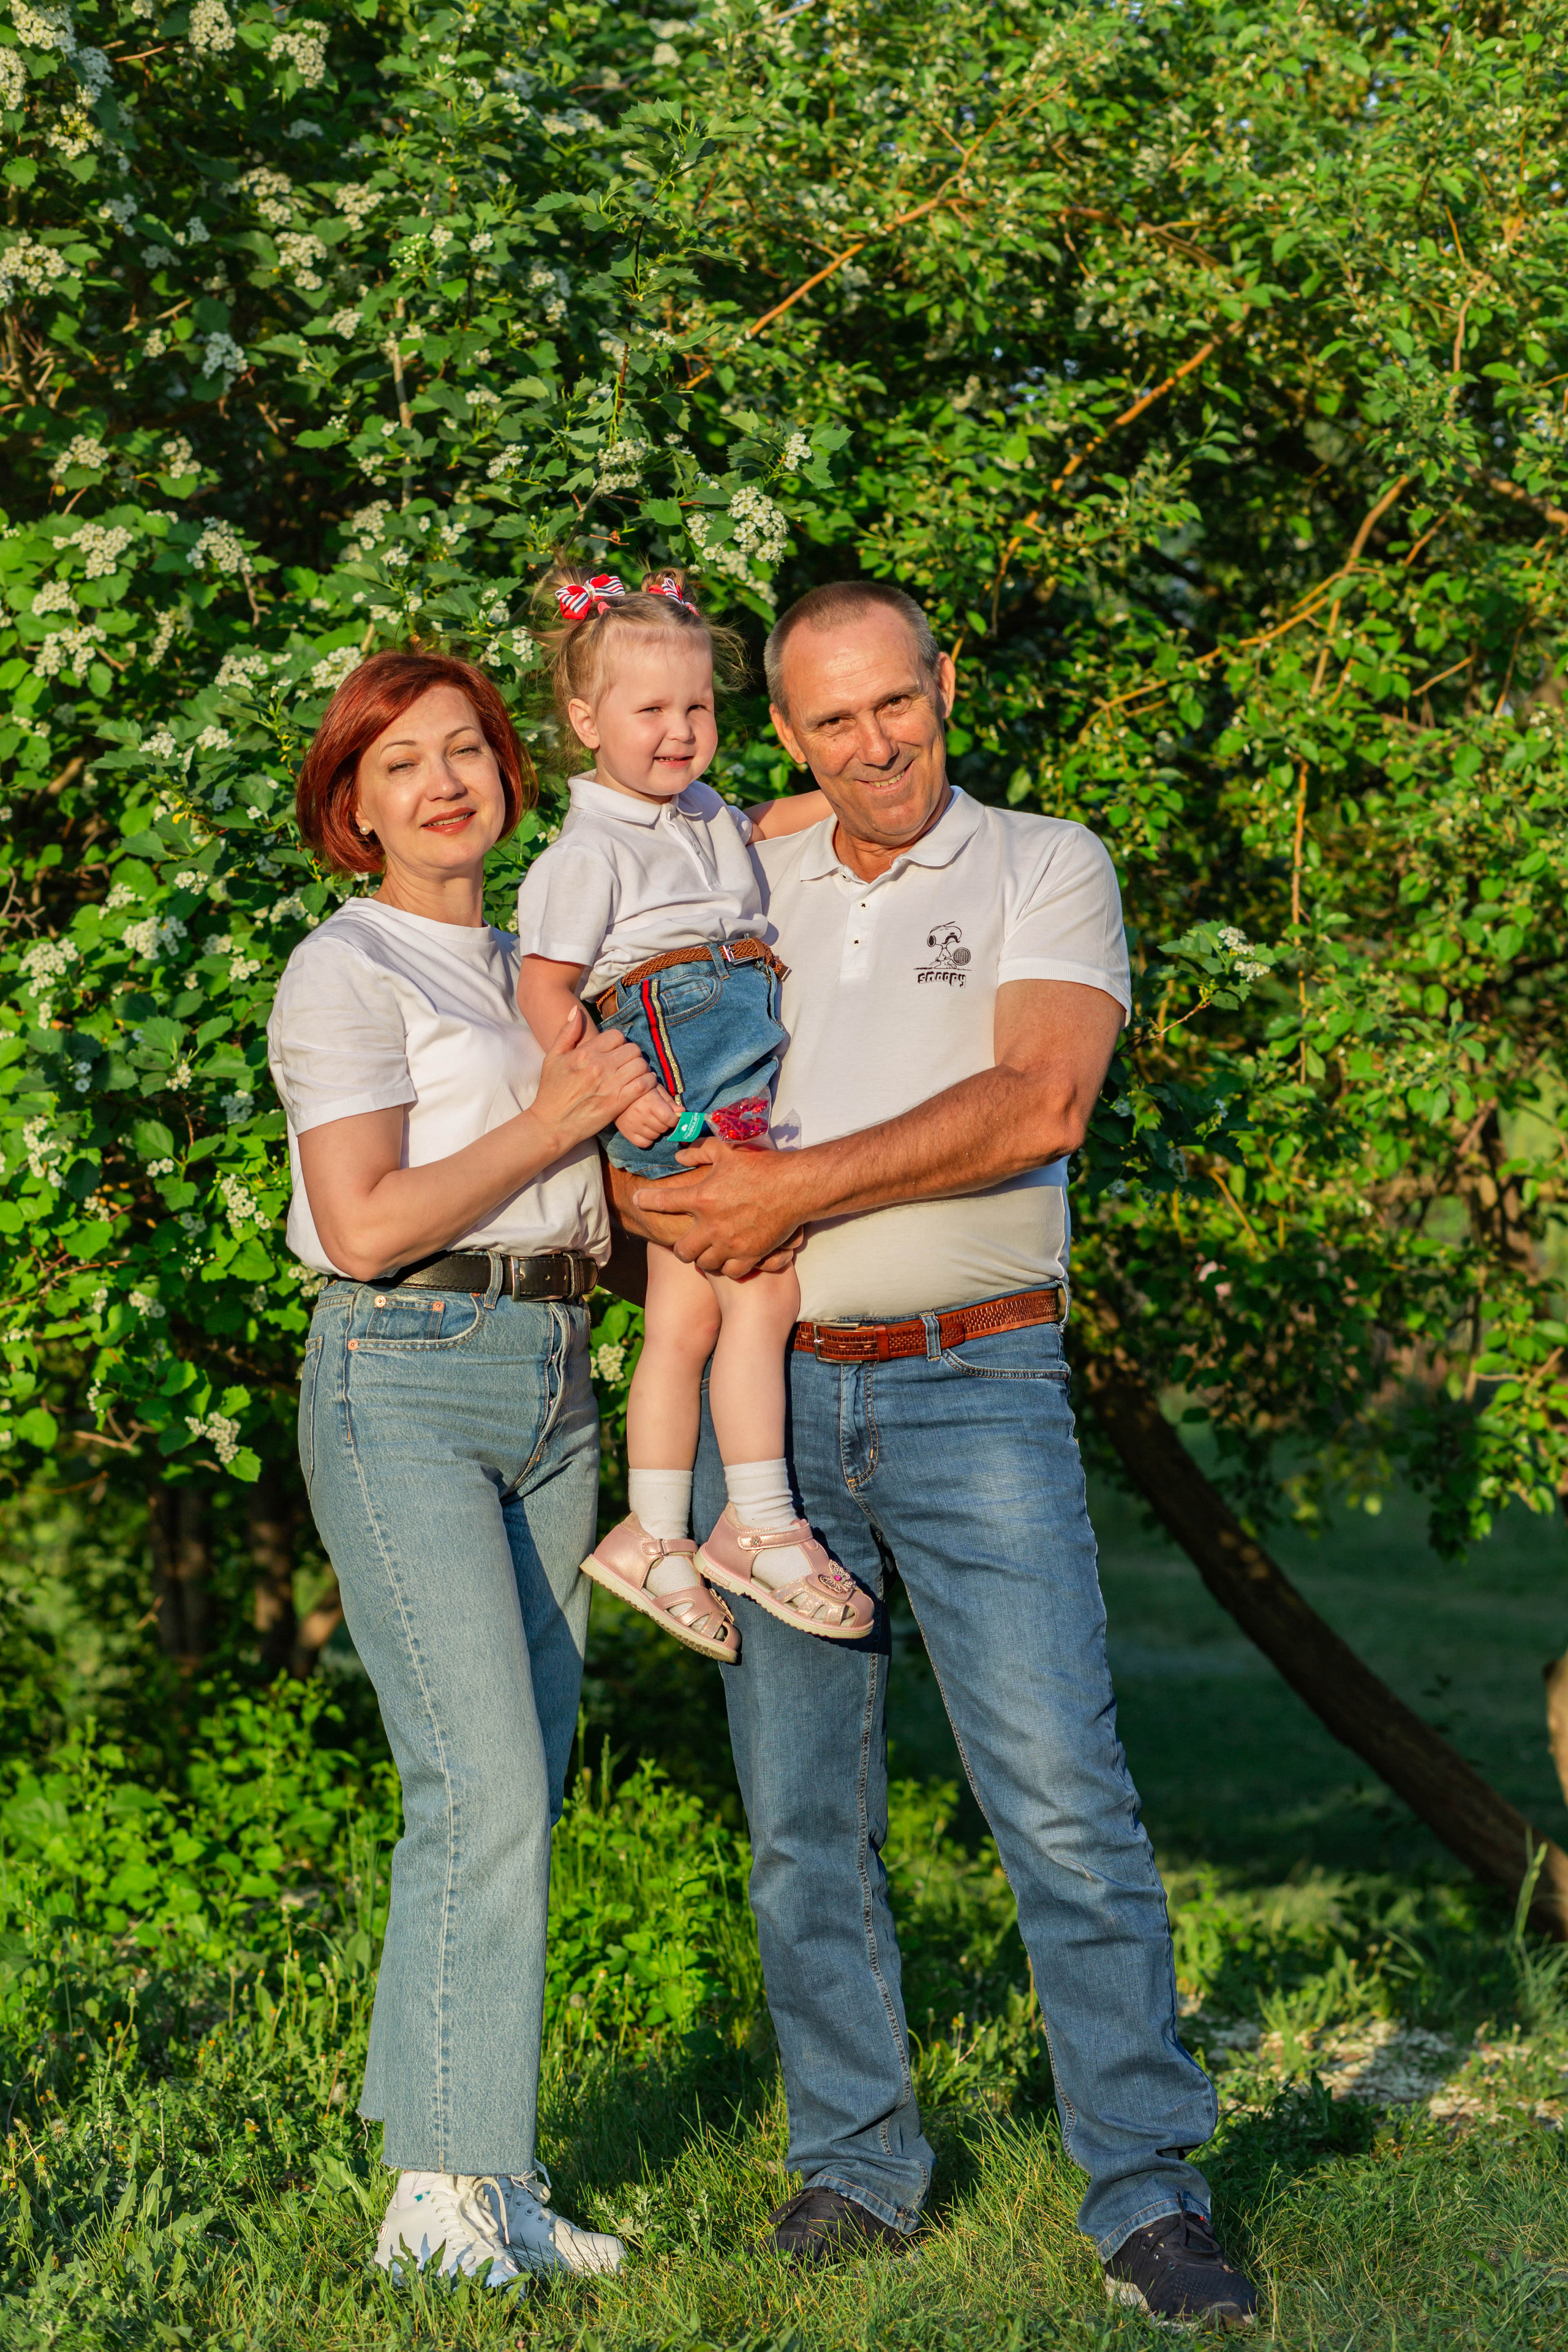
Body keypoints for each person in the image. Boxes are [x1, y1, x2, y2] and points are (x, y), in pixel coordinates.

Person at [617, 582, 1261, 2331]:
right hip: (778, 1414)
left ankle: (1146, 2193)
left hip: (978, 1385)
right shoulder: (750, 870)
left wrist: (786, 1189)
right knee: (802, 1819)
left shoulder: (1046, 863)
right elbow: (616, 928)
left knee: (1062, 1797)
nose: (875, 745)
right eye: (832, 723)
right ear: (793, 735)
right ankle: (860, 2165)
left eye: (896, 704)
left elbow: (1041, 1102)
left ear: (945, 683)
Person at [268, 648, 647, 2290]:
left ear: (511, 774)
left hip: (556, 1377)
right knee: (478, 1785)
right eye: (401, 762)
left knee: (524, 1787)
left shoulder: (538, 962)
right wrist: (562, 1115)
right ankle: (432, 2195)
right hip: (403, 1373)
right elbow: (361, 1221)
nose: (444, 783)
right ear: (353, 806)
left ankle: (487, 2172)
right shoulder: (345, 972)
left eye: (469, 752)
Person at [514, 568, 873, 1656]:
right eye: (650, 711)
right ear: (584, 724)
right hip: (672, 1074)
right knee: (762, 1292)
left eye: (698, 708)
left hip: (730, 1069)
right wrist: (633, 1107)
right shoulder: (588, 854)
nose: (681, 732)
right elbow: (548, 994)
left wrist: (851, 787)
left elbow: (763, 818)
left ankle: (654, 1535)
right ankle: (757, 1523)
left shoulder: (700, 815)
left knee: (685, 1320)